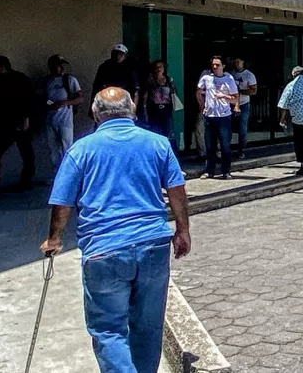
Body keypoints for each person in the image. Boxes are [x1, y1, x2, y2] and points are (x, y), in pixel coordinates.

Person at [39, 87, 191, 373]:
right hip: (153, 244)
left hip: (104, 250)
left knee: (109, 330)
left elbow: (62, 202)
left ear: (94, 113)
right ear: (132, 109)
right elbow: (176, 191)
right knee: (148, 326)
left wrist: (54, 238)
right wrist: (183, 230)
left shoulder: (81, 150)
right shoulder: (158, 144)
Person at [0, 56, 36, 192]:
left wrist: (26, 118)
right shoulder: (17, 79)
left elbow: (29, 100)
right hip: (8, 122)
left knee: (20, 153)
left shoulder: (15, 80)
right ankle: (22, 181)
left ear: (3, 67)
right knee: (24, 154)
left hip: (12, 122)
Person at [197, 56, 239, 179]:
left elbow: (235, 98)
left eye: (218, 65)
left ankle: (226, 171)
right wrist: (202, 104)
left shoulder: (229, 79)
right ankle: (209, 170)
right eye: (213, 64)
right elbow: (198, 91)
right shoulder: (207, 78)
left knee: (225, 145)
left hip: (224, 116)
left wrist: (223, 96)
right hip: (210, 116)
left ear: (223, 66)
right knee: (210, 146)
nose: (215, 67)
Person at [42, 54, 83, 179]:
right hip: (50, 119)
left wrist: (65, 103)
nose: (59, 68)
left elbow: (80, 98)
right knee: (53, 149)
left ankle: (69, 175)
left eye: (61, 65)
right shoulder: (46, 81)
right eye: (57, 65)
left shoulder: (69, 80)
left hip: (65, 120)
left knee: (67, 148)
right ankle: (57, 174)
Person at [90, 43, 139, 120]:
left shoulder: (130, 69)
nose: (118, 56)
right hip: (106, 102)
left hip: (123, 103)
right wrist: (92, 108)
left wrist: (133, 110)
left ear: (125, 56)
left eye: (121, 54)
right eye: (115, 54)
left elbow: (135, 91)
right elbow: (96, 88)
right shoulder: (104, 67)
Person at [230, 57, 257, 159]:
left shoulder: (249, 75)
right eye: (235, 62)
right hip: (231, 103)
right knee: (228, 127)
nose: (237, 64)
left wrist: (240, 91)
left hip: (243, 103)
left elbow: (253, 90)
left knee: (242, 128)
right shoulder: (230, 74)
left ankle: (241, 150)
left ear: (243, 62)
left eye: (238, 62)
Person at [145, 59, 177, 143]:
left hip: (166, 109)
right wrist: (145, 110)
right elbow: (146, 96)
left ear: (164, 68)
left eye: (160, 67)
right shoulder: (150, 81)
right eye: (156, 67)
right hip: (154, 109)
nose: (158, 69)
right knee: (155, 132)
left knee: (168, 132)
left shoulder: (169, 80)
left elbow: (174, 94)